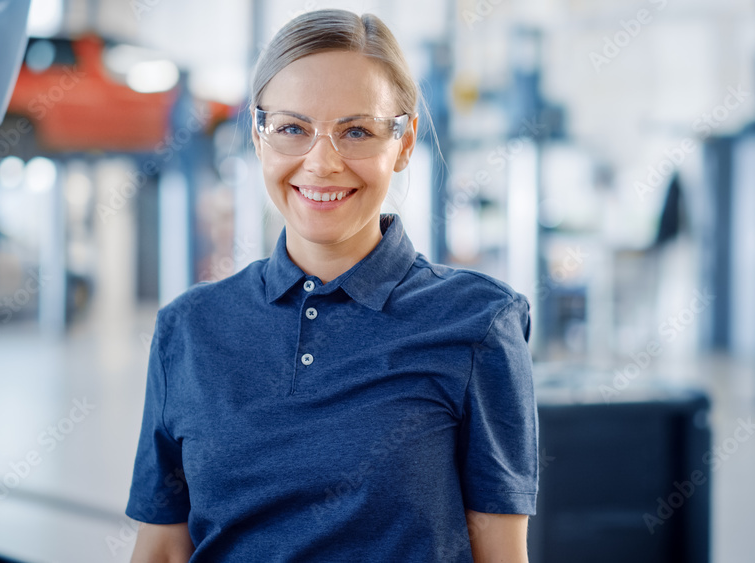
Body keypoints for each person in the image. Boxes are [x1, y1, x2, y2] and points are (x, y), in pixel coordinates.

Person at [126, 9, 538, 562]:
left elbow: (501, 555)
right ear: (258, 134)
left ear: (406, 140)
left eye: (358, 131)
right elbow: (163, 549)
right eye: (293, 128)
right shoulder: (188, 327)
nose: (321, 163)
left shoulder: (477, 322)